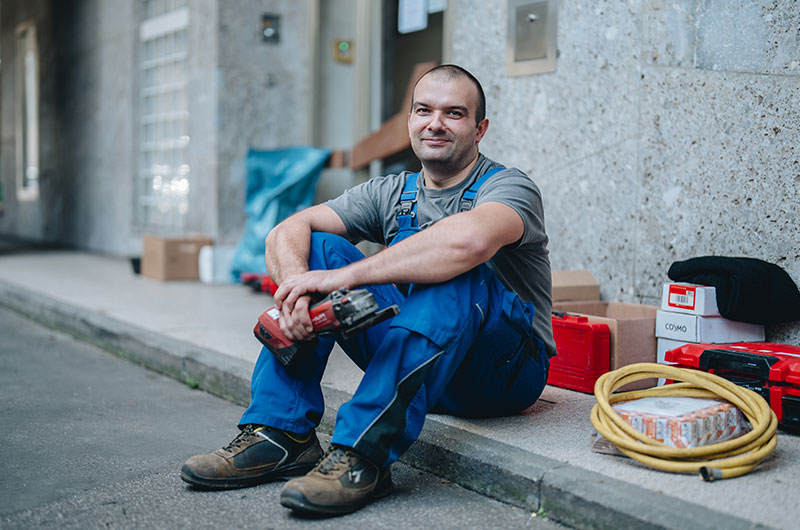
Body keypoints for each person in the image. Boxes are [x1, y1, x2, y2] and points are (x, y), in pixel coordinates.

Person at [180, 64, 556, 516]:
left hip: (500, 374)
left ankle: (364, 456)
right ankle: (281, 435)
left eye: (454, 113)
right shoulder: (392, 191)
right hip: (425, 362)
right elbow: (288, 228)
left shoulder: (508, 186)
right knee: (318, 247)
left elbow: (468, 242)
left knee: (456, 269)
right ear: (410, 122)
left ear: (480, 129)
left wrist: (344, 279)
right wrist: (297, 287)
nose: (435, 123)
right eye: (424, 110)